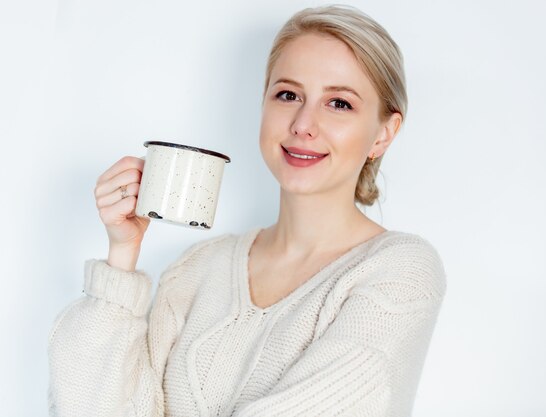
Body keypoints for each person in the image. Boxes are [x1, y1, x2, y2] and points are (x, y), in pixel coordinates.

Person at [47, 4, 447, 416]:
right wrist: (121, 255)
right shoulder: (198, 268)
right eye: (288, 95)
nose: (303, 123)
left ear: (383, 134)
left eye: (339, 103)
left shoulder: (401, 271)